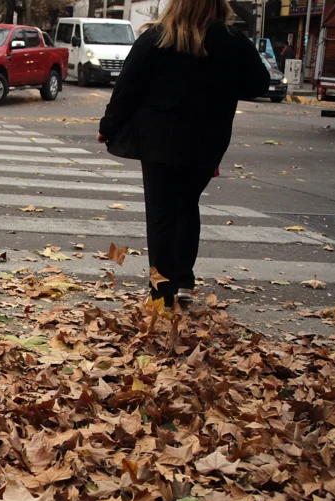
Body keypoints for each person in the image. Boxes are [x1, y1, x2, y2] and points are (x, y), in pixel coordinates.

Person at [97, 0, 268, 307]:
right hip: (208, 141)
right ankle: (184, 282)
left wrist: (108, 127)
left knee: (161, 215)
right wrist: (222, 83)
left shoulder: (156, 38)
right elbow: (259, 83)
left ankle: (162, 295)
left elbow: (126, 88)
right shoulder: (231, 41)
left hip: (158, 140)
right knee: (188, 205)